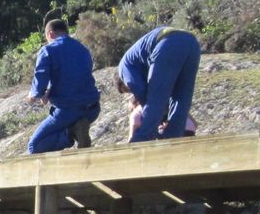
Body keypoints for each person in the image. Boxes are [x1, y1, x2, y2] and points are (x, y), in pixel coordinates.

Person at [26, 19, 101, 154]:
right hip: (93, 108)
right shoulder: (83, 49)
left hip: (68, 109)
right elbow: (74, 76)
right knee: (70, 120)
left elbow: (40, 79)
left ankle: (71, 133)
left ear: (50, 34)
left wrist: (33, 95)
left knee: (34, 147)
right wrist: (49, 91)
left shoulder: (48, 50)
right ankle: (77, 127)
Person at [117, 26, 201, 142]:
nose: (131, 91)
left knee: (154, 100)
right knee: (181, 100)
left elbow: (144, 94)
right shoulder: (140, 63)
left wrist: (155, 123)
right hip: (192, 43)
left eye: (127, 89)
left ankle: (139, 142)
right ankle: (174, 138)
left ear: (122, 79)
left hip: (168, 42)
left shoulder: (123, 67)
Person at [127, 99, 197, 141]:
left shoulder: (136, 113)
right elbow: (195, 124)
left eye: (131, 109)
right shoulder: (160, 104)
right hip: (190, 131)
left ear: (135, 104)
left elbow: (132, 137)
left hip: (175, 133)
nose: (131, 111)